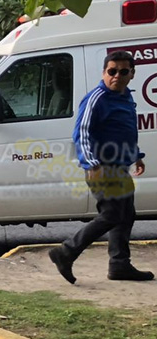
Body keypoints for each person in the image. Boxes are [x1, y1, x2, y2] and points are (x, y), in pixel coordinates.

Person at [51, 51, 154, 284]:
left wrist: (135, 156)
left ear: (132, 74)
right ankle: (65, 252)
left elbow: (123, 131)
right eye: (112, 71)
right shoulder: (96, 98)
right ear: (104, 73)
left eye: (123, 71)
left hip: (119, 166)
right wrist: (91, 163)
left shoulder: (126, 96)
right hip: (102, 167)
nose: (117, 75)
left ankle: (119, 265)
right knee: (112, 214)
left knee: (126, 214)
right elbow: (81, 133)